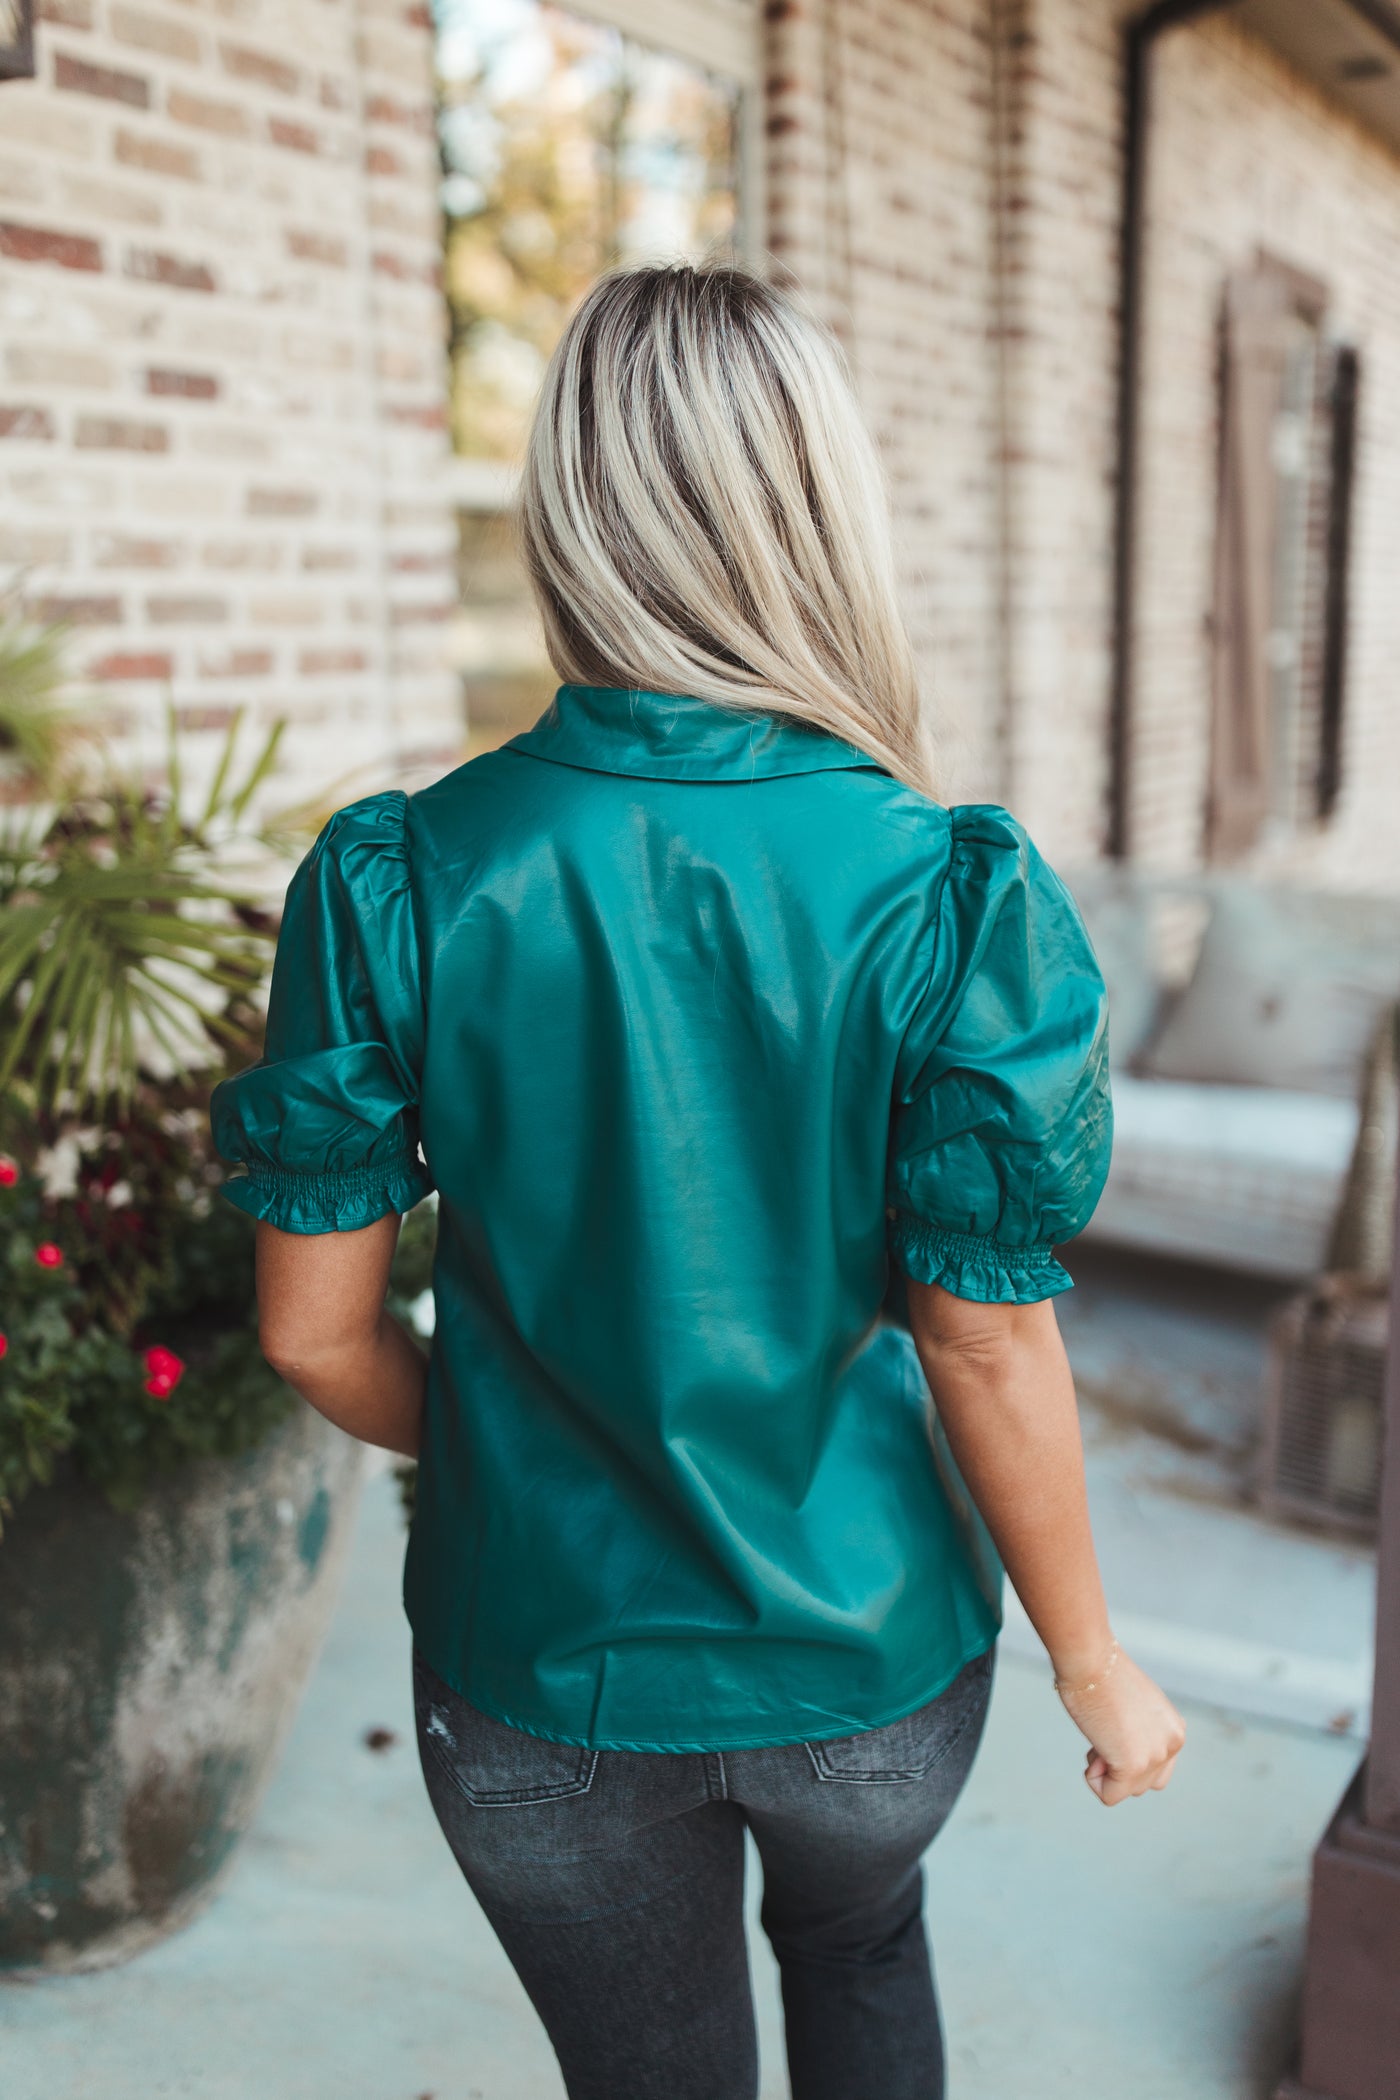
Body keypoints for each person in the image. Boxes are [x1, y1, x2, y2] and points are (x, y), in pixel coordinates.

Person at [210, 261, 1185, 2100]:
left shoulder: (402, 876)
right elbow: (987, 1351)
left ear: (569, 511)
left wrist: (518, 1445)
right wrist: (1093, 1663)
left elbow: (314, 1338)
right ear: (817, 517)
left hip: (537, 1685)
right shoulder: (945, 888)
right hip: (874, 1672)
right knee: (864, 1938)